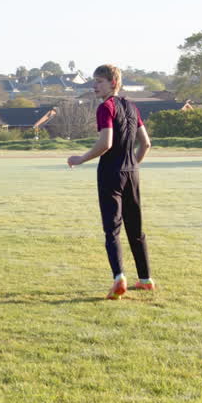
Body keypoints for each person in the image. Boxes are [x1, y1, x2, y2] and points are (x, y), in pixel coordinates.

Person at [66, 63, 154, 299]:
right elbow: (145, 143)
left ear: (113, 83)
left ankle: (119, 278)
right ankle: (145, 279)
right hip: (131, 172)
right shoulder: (132, 107)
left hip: (110, 173)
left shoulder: (106, 107)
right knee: (135, 228)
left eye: (99, 81)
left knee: (112, 229)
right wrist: (133, 165)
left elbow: (106, 143)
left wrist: (81, 159)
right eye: (94, 81)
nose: (95, 86)